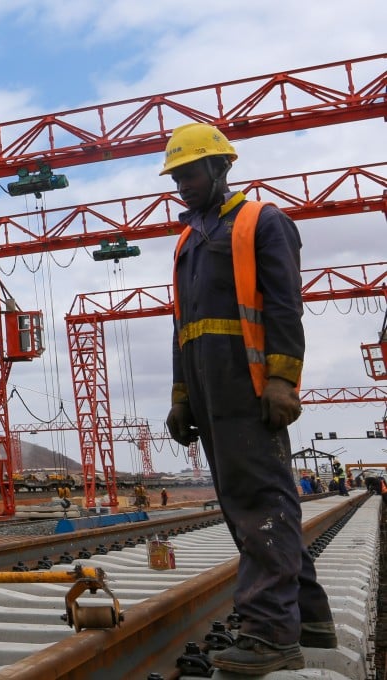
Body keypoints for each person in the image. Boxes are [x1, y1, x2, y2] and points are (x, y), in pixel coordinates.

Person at [161, 123, 337, 674]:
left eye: (190, 173)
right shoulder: (190, 240)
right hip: (207, 384)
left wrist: (283, 379)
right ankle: (309, 621)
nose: (183, 185)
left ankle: (269, 635)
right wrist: (181, 396)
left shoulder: (264, 221)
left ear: (220, 168)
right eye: (177, 178)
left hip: (247, 383)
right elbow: (182, 324)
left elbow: (285, 305)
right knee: (250, 504)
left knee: (260, 501)